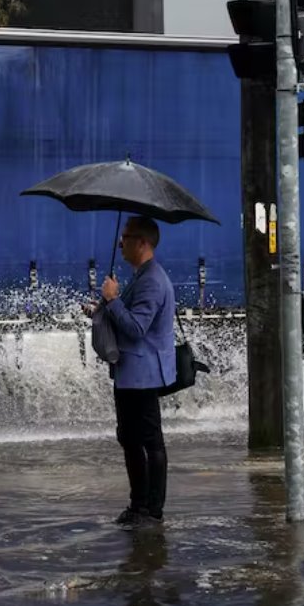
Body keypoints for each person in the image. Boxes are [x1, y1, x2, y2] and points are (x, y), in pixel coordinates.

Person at [85, 215, 176, 529]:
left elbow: (137, 328)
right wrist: (102, 309)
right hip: (131, 372)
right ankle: (138, 506)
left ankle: (152, 511)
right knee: (129, 437)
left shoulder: (152, 280)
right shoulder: (142, 275)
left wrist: (111, 299)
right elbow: (126, 316)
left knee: (150, 440)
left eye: (126, 237)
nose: (120, 243)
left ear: (143, 242)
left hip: (143, 372)